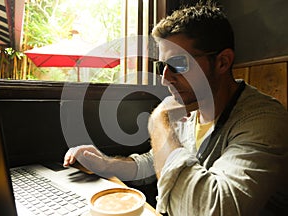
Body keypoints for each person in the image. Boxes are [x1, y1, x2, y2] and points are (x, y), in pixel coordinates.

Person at [63, 1, 288, 215]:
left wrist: (158, 121)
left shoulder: (264, 121)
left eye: (179, 64)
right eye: (162, 66)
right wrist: (105, 163)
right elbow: (154, 162)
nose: (164, 79)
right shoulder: (190, 110)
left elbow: (215, 209)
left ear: (222, 62)